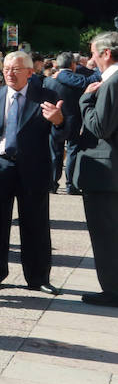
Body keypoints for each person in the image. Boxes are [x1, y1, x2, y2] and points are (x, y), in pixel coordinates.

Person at [0, 51, 64, 292]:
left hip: (33, 168)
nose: (9, 73)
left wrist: (58, 122)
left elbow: (59, 135)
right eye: (6, 69)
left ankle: (38, 278)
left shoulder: (46, 97)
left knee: (35, 223)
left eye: (15, 69)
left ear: (29, 72)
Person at [77, 31, 118, 306]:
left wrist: (85, 101)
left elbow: (100, 126)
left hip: (106, 174)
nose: (91, 58)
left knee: (106, 236)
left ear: (106, 53)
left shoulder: (112, 82)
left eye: (93, 52)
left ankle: (113, 291)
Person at [51, 51, 90, 194]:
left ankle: (52, 183)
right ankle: (70, 185)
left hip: (54, 120)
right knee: (73, 151)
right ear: (73, 65)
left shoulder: (49, 81)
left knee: (55, 152)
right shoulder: (79, 80)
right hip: (74, 119)